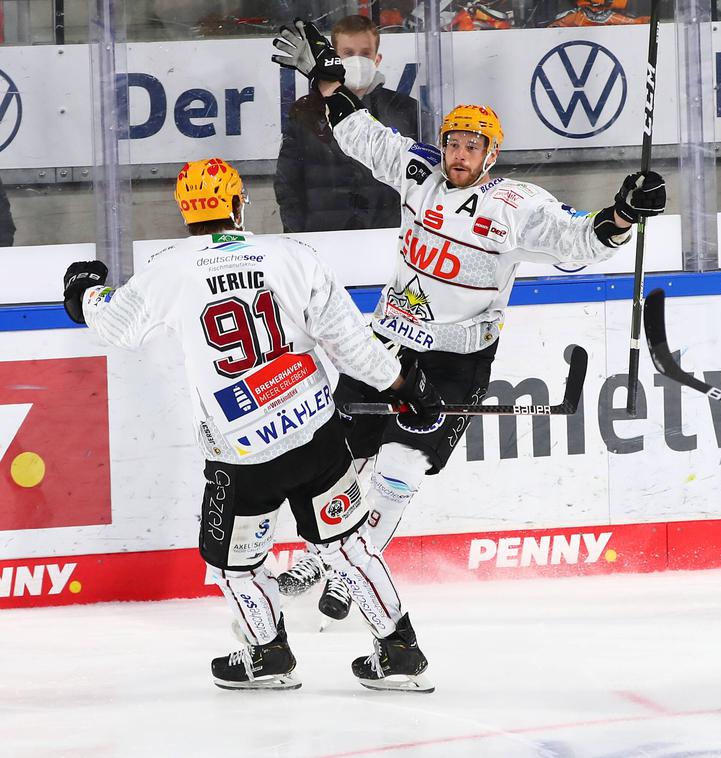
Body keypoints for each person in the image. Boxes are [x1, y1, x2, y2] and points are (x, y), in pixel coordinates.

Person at [269, 19, 666, 619]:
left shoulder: (516, 205)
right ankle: (325, 555)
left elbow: (578, 239)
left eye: (471, 147)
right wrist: (324, 76)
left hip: (457, 357)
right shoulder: (416, 170)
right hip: (386, 343)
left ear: (491, 155)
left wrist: (622, 214)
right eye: (453, 142)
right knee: (341, 455)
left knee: (402, 464)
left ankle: (354, 568)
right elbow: (357, 132)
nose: (457, 154)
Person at [61, 157, 443, 692]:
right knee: (346, 545)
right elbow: (350, 342)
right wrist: (404, 387)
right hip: (315, 436)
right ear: (240, 203)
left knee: (236, 565)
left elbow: (114, 325)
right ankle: (399, 648)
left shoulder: (170, 269)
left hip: (242, 455)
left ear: (185, 212)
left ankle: (268, 655)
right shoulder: (293, 256)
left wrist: (85, 293)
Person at [274, 14, 420, 233]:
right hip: (322, 239)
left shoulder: (406, 109)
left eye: (365, 54)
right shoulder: (305, 110)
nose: (357, 61)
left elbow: (420, 180)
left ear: (377, 59)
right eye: (349, 53)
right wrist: (297, 239)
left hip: (387, 239)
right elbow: (289, 185)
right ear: (334, 57)